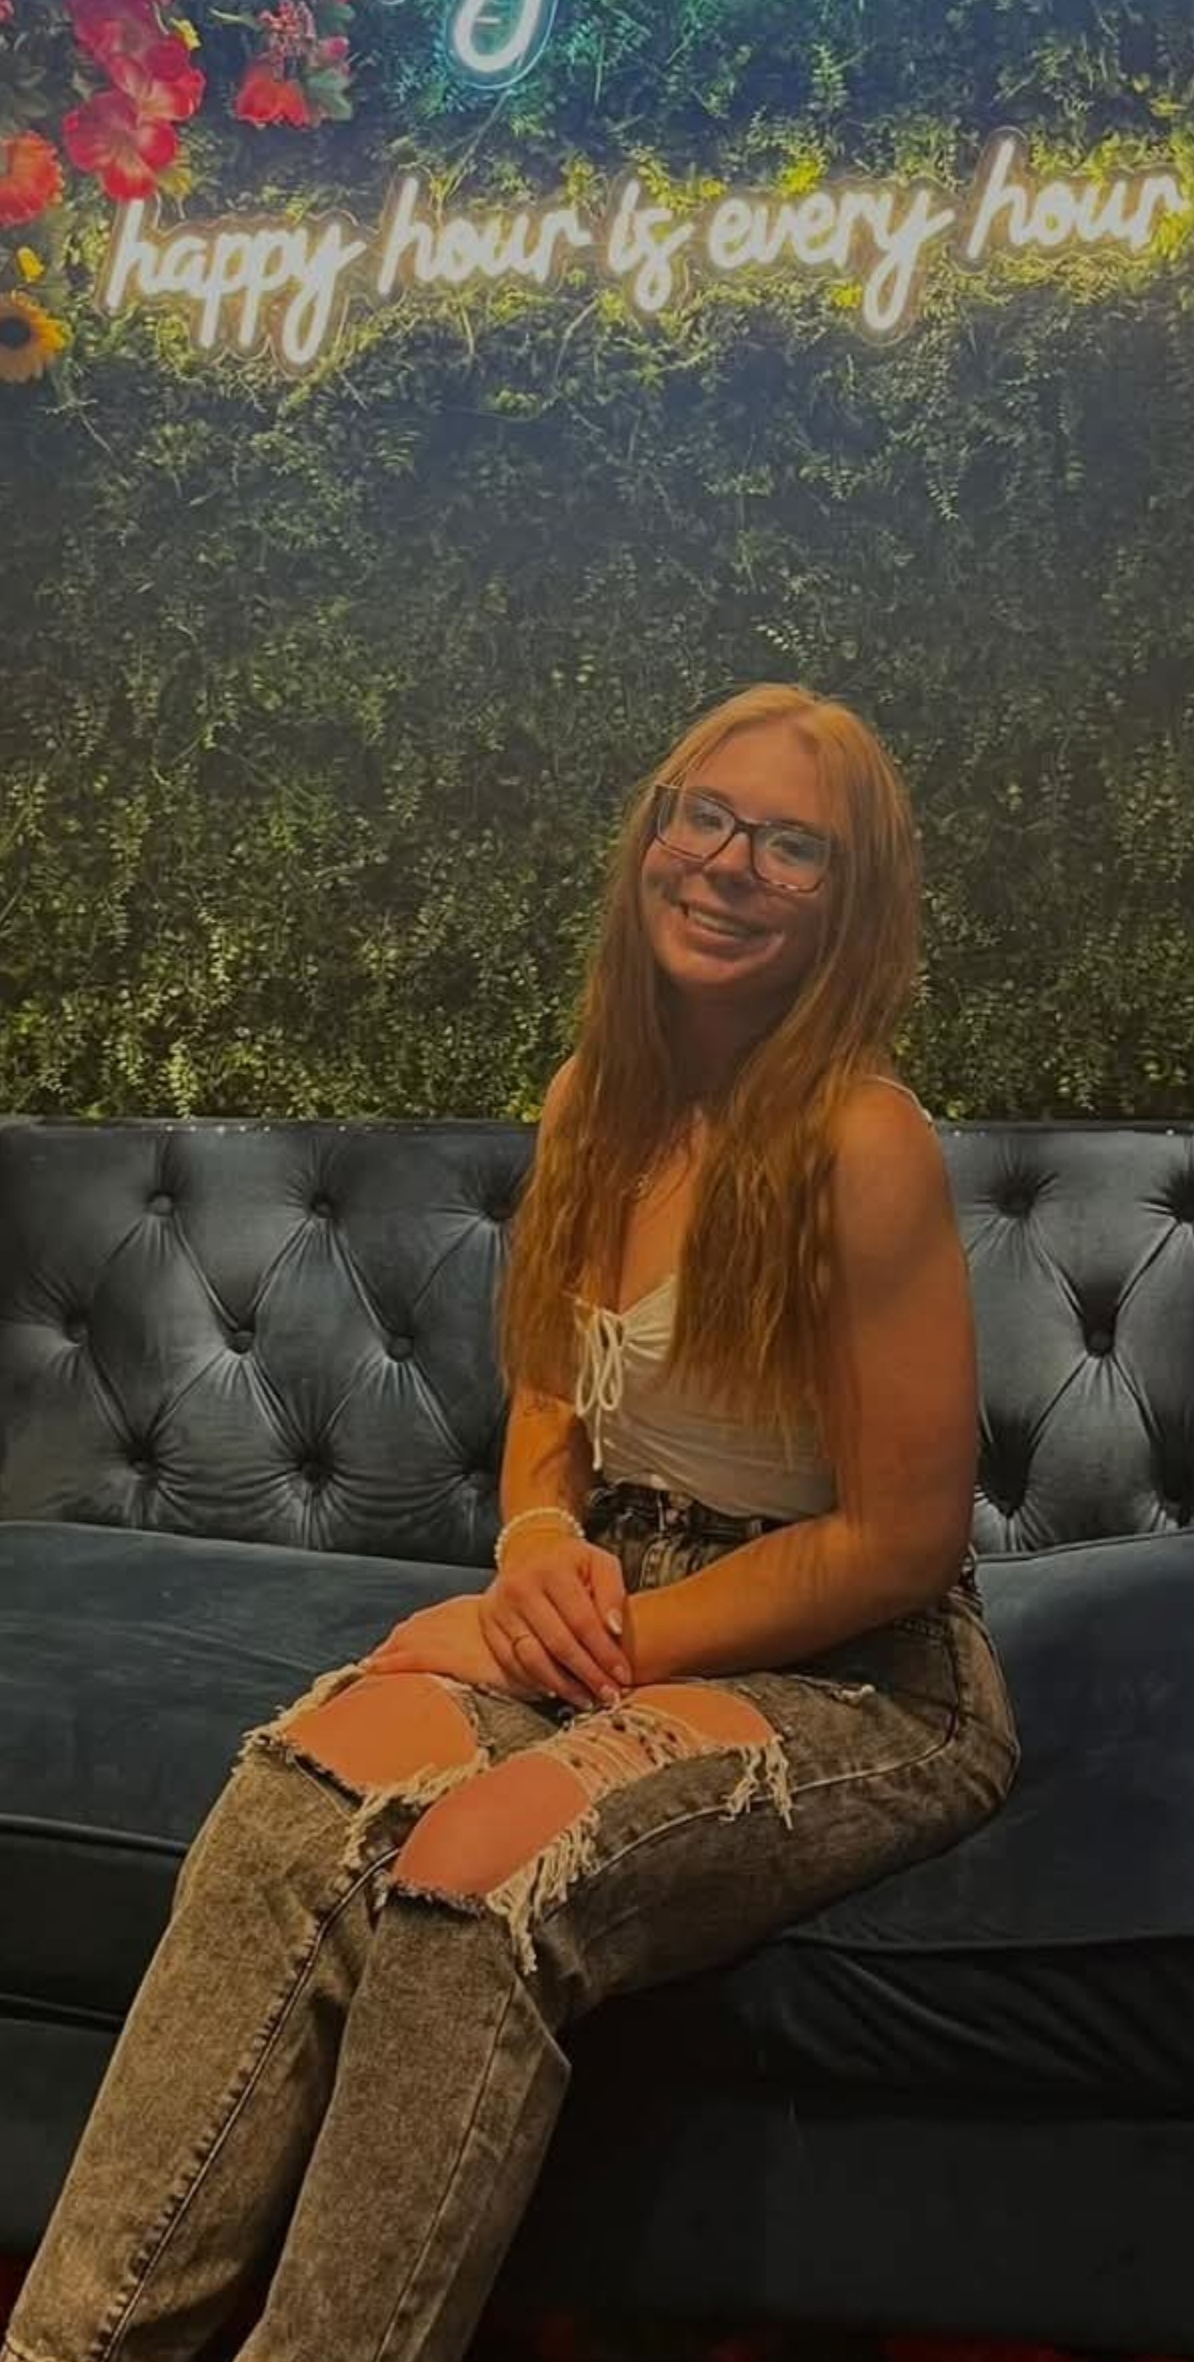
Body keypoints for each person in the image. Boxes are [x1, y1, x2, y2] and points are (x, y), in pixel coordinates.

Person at [4, 680, 1019, 2362]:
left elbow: (898, 1543)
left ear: (851, 905)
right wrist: (536, 1544)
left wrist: (560, 1642)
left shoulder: (860, 1137)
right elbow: (551, 1405)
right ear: (651, 834)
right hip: (617, 1588)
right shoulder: (590, 1099)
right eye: (704, 814)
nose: (728, 862)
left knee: (484, 1869)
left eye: (791, 845)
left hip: (859, 1667)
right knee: (293, 1796)